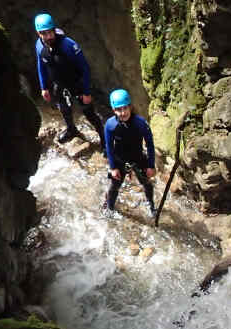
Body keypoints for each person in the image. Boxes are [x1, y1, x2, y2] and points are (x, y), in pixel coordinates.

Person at [33, 13, 103, 145]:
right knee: (63, 108)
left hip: (77, 83)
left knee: (89, 113)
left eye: (50, 32)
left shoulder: (68, 45)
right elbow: (41, 65)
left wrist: (87, 92)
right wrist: (44, 87)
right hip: (58, 83)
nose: (48, 37)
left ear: (54, 30)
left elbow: (85, 69)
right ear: (38, 33)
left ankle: (104, 139)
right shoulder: (39, 46)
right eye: (44, 34)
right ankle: (71, 129)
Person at [102, 89, 156, 216]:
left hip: (138, 157)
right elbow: (109, 147)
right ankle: (109, 207)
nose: (122, 112)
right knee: (115, 186)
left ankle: (151, 205)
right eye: (118, 109)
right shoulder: (110, 125)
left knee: (147, 183)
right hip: (119, 159)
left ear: (130, 107)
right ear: (113, 110)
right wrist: (113, 168)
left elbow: (150, 145)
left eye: (125, 108)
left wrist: (151, 165)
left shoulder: (140, 123)